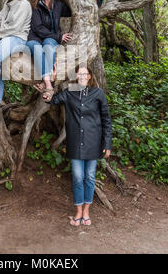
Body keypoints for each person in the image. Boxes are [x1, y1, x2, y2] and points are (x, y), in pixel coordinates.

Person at [44, 65, 112, 227]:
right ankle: (79, 211)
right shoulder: (70, 92)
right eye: (79, 74)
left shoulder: (98, 93)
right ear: (76, 76)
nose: (82, 76)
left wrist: (107, 144)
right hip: (75, 143)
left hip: (94, 143)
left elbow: (106, 120)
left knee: (89, 177)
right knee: (77, 178)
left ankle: (87, 211)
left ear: (89, 76)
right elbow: (51, 100)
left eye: (85, 73)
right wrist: (51, 82)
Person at [26, 0, 72, 100]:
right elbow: (37, 28)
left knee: (48, 46)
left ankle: (45, 83)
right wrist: (59, 37)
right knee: (35, 47)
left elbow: (73, 10)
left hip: (50, 38)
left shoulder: (59, 4)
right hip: (34, 37)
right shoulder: (35, 5)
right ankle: (49, 84)